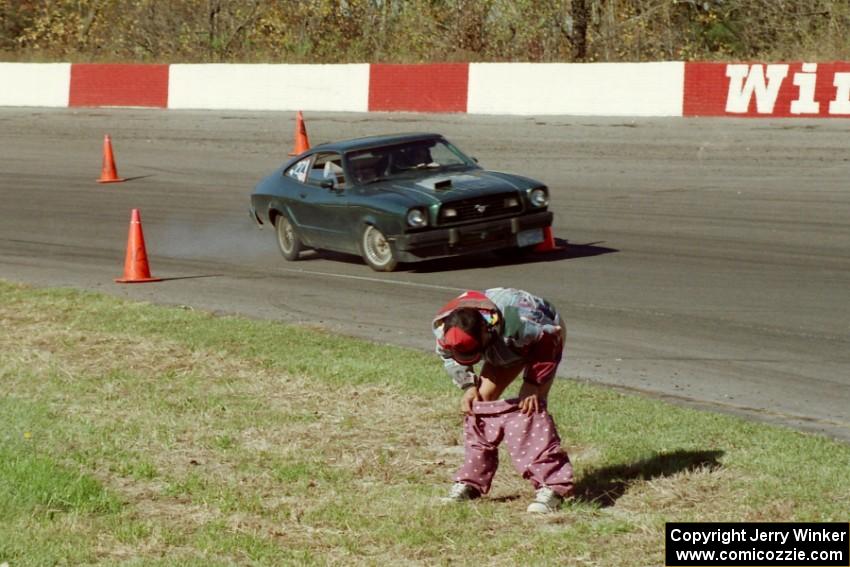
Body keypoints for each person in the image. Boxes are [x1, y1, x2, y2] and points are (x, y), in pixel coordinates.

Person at [432, 288, 574, 513]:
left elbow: (549, 340)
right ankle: (471, 483)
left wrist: (533, 383)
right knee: (479, 406)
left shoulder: (521, 321)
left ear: (487, 330)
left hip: (541, 340)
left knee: (530, 409)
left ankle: (552, 487)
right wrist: (469, 386)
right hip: (501, 341)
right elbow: (449, 358)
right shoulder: (444, 328)